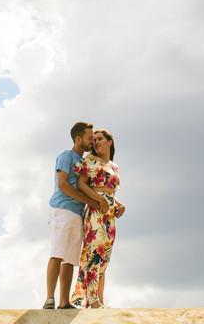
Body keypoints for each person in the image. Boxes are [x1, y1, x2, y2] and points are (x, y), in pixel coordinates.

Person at [44, 121, 102, 310]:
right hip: (61, 210)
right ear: (78, 139)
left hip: (77, 214)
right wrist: (89, 201)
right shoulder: (66, 155)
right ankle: (49, 299)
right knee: (57, 254)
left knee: (70, 259)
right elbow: (62, 184)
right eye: (89, 138)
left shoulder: (84, 162)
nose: (92, 141)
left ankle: (64, 302)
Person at [70, 129, 125, 309]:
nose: (96, 142)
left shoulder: (114, 166)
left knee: (105, 257)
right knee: (94, 253)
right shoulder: (89, 160)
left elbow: (110, 191)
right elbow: (81, 184)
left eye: (100, 139)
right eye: (94, 140)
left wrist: (119, 205)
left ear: (110, 141)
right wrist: (98, 199)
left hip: (110, 214)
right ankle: (91, 300)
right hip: (95, 210)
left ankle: (98, 300)